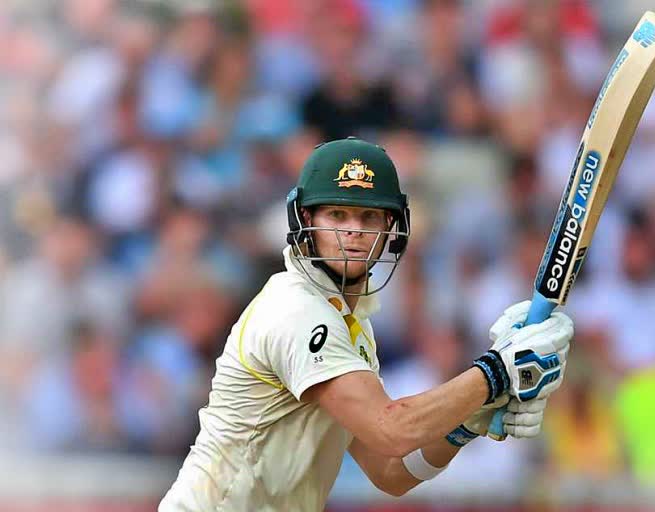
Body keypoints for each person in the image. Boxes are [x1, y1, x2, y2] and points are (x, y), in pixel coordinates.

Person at [159, 137, 574, 511]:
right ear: (306, 221)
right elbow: (391, 429)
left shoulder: (352, 324)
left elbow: (390, 471)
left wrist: (467, 422)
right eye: (337, 215)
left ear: (390, 227)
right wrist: (495, 375)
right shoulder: (296, 311)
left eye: (368, 216)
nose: (353, 232)